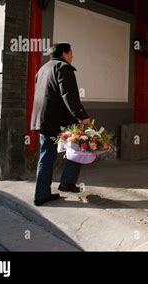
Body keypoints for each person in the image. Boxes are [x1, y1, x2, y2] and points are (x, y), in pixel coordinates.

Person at [30, 42, 90, 206]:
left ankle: (59, 186)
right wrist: (82, 116)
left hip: (43, 119)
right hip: (56, 119)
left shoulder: (42, 69)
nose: (72, 56)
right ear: (64, 54)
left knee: (54, 152)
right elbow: (68, 95)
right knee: (76, 146)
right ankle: (51, 190)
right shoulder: (63, 68)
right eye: (71, 53)